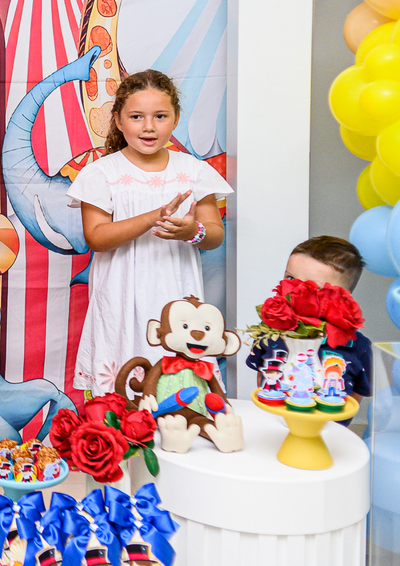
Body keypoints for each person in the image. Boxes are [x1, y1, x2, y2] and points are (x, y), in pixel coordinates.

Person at [66, 69, 232, 395]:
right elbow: (96, 238)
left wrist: (191, 232)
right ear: (117, 120)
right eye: (137, 116)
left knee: (181, 393)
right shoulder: (101, 173)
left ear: (176, 117)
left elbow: (214, 235)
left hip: (177, 292)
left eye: (160, 116)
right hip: (120, 296)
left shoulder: (194, 171)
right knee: (122, 391)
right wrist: (153, 217)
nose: (149, 126)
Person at [245, 236, 372, 420]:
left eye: (312, 287)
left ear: (344, 298)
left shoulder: (359, 347)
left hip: (328, 435)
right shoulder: (271, 334)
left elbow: (355, 398)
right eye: (290, 278)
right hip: (274, 428)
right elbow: (262, 378)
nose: (295, 291)